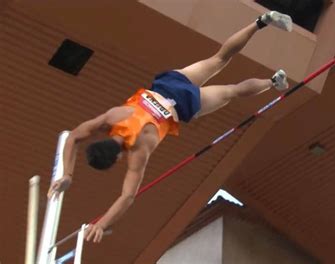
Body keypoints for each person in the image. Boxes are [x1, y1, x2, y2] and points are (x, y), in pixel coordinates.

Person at [47, 11, 293, 243]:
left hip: (184, 105)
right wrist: (67, 174)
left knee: (232, 91)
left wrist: (101, 224)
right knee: (219, 58)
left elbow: (128, 196)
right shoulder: (112, 117)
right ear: (103, 139)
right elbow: (74, 137)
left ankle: (274, 81)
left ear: (118, 158)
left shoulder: (139, 151)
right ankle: (262, 21)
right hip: (171, 84)